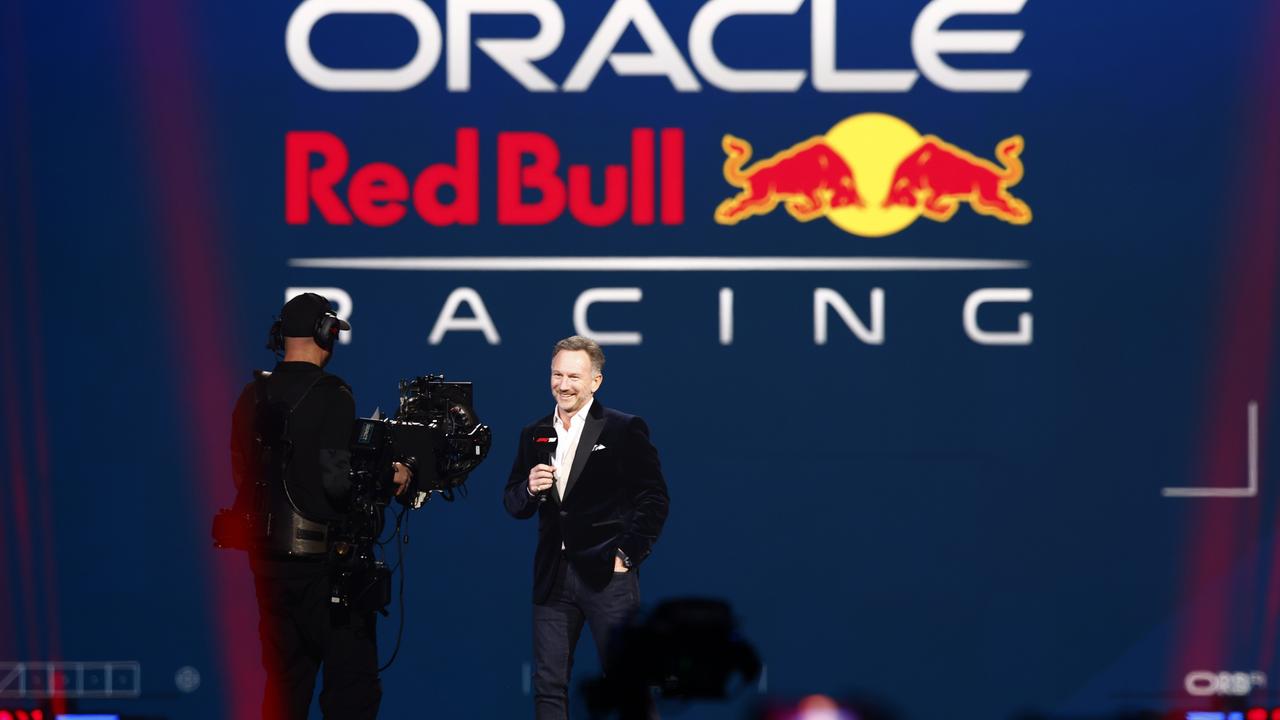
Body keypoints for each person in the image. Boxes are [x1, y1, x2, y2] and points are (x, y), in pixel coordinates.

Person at [229, 292, 409, 720]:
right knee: (351, 691)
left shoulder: (250, 396)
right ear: (326, 333)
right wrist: (390, 477)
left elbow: (241, 476)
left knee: (284, 688)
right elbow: (337, 484)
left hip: (267, 568)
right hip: (326, 572)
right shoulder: (334, 395)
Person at [504, 335, 670, 719]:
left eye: (574, 377)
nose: (563, 384)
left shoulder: (623, 429)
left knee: (628, 682)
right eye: (557, 374)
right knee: (548, 684)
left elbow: (655, 498)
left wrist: (627, 553)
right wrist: (529, 489)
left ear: (595, 381)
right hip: (552, 578)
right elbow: (513, 502)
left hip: (607, 577)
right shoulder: (534, 432)